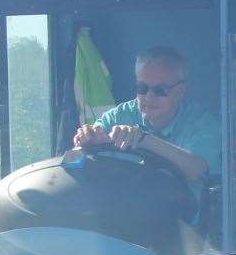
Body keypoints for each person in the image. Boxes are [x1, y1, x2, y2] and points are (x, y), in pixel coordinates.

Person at [72, 45, 221, 189]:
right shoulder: (119, 116)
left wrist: (142, 139)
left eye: (160, 90)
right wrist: (87, 139)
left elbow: (195, 170)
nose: (149, 97)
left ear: (180, 91)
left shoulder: (203, 123)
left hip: (180, 212)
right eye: (142, 88)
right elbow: (80, 158)